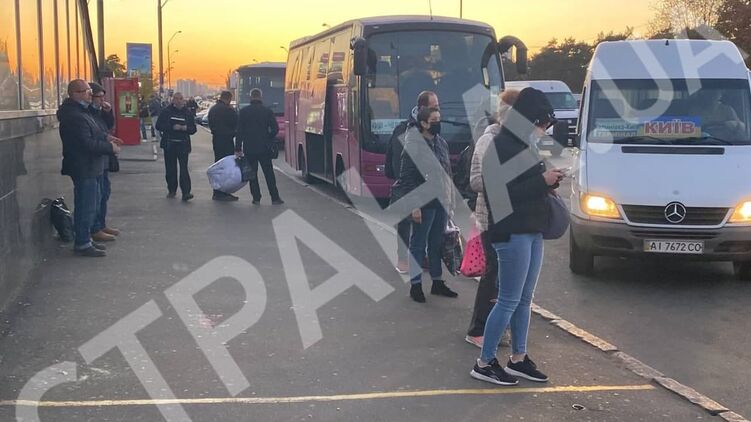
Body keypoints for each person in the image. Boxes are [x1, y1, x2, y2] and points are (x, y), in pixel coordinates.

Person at [470, 88, 564, 386]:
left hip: (531, 228)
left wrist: (547, 184)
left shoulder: (523, 144)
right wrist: (542, 181)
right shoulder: (500, 145)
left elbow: (522, 185)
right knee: (508, 300)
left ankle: (518, 358)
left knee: (524, 299)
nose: (544, 131)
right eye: (542, 124)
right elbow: (497, 194)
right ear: (528, 120)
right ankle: (484, 362)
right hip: (511, 231)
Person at [465, 89, 520, 349]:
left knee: (505, 278)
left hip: (513, 219)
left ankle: (500, 328)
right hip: (492, 218)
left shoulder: (517, 139)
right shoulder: (489, 140)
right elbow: (476, 181)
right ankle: (478, 329)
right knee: (493, 275)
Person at [391, 107, 457, 303]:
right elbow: (406, 178)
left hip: (441, 201)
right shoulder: (414, 145)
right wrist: (414, 206)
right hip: (423, 202)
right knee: (418, 244)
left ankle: (437, 281)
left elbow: (447, 172)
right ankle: (416, 285)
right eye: (434, 120)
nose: (438, 123)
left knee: (436, 243)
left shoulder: (441, 143)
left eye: (439, 119)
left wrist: (450, 200)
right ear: (423, 123)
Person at [57, 79, 121, 257]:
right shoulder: (74, 116)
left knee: (92, 203)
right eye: (87, 91)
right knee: (86, 205)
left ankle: (86, 238)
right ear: (75, 94)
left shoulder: (82, 112)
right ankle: (83, 242)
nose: (90, 94)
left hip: (90, 166)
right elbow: (85, 143)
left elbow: (96, 131)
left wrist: (107, 138)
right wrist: (110, 148)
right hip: (83, 166)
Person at [385, 91, 439, 274]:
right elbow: (396, 163)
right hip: (409, 186)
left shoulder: (432, 130)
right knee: (406, 223)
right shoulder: (405, 131)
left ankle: (420, 257)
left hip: (428, 189)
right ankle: (404, 260)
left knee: (423, 227)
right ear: (422, 108)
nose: (438, 110)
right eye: (434, 107)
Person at [235, 88, 283, 205]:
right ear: (261, 97)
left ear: (251, 97)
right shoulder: (267, 111)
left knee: (252, 174)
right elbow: (275, 129)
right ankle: (275, 197)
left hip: (249, 147)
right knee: (269, 173)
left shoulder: (244, 112)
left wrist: (238, 148)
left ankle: (256, 198)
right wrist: (268, 137)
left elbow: (239, 131)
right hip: (264, 147)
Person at [88, 82, 121, 243]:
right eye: (99, 97)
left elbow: (106, 127)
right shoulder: (87, 113)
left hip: (103, 159)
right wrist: (108, 145)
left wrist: (108, 113)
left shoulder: (98, 112)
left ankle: (101, 224)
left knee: (104, 193)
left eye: (103, 97)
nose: (102, 100)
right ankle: (95, 228)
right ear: (91, 97)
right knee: (96, 195)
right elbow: (92, 136)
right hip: (94, 159)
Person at [156, 92, 197, 201]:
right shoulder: (166, 111)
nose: (178, 101)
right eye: (176, 98)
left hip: (183, 144)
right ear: (173, 100)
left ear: (183, 100)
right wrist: (172, 127)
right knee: (170, 168)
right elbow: (158, 125)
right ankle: (172, 189)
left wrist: (185, 128)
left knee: (184, 168)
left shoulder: (187, 113)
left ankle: (186, 192)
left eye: (180, 99)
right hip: (169, 144)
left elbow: (193, 129)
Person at [208, 91, 239, 201]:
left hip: (216, 139)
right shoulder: (228, 110)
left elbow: (210, 123)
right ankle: (223, 192)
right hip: (227, 140)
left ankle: (216, 191)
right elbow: (236, 122)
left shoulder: (213, 109)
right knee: (226, 167)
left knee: (218, 165)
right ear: (229, 99)